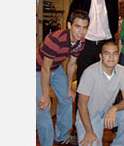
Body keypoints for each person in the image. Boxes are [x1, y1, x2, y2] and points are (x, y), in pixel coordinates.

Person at [36, 10, 89, 146]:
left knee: (68, 98)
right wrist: (46, 95)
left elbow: (71, 65)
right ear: (69, 25)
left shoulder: (80, 42)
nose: (81, 32)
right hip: (37, 69)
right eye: (77, 26)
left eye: (84, 28)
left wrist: (69, 87)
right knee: (43, 106)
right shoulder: (55, 39)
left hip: (55, 66)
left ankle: (61, 136)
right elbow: (45, 68)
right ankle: (47, 143)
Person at [76, 41, 124, 146]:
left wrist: (114, 108)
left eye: (115, 53)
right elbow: (81, 105)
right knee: (92, 143)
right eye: (107, 53)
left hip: (107, 112)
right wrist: (89, 132)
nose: (111, 57)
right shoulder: (90, 72)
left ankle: (119, 144)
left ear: (118, 55)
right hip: (88, 116)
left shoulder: (123, 71)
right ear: (100, 56)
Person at [67, 0, 119, 87]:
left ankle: (106, 106)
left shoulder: (112, 1)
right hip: (86, 44)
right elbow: (70, 21)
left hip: (105, 44)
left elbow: (114, 24)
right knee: (84, 80)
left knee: (106, 81)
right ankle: (81, 106)